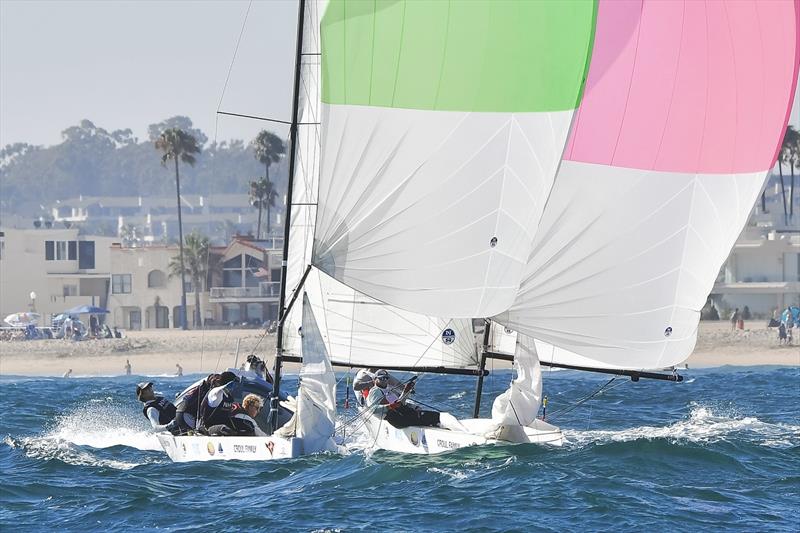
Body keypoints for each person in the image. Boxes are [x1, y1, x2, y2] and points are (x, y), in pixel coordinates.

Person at [367, 369, 439, 428]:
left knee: (434, 415)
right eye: (381, 378)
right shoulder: (375, 391)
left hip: (401, 414)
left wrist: (406, 392)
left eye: (386, 378)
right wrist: (389, 406)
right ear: (375, 379)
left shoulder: (388, 389)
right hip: (396, 418)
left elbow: (400, 403)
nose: (384, 380)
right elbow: (373, 410)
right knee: (431, 417)